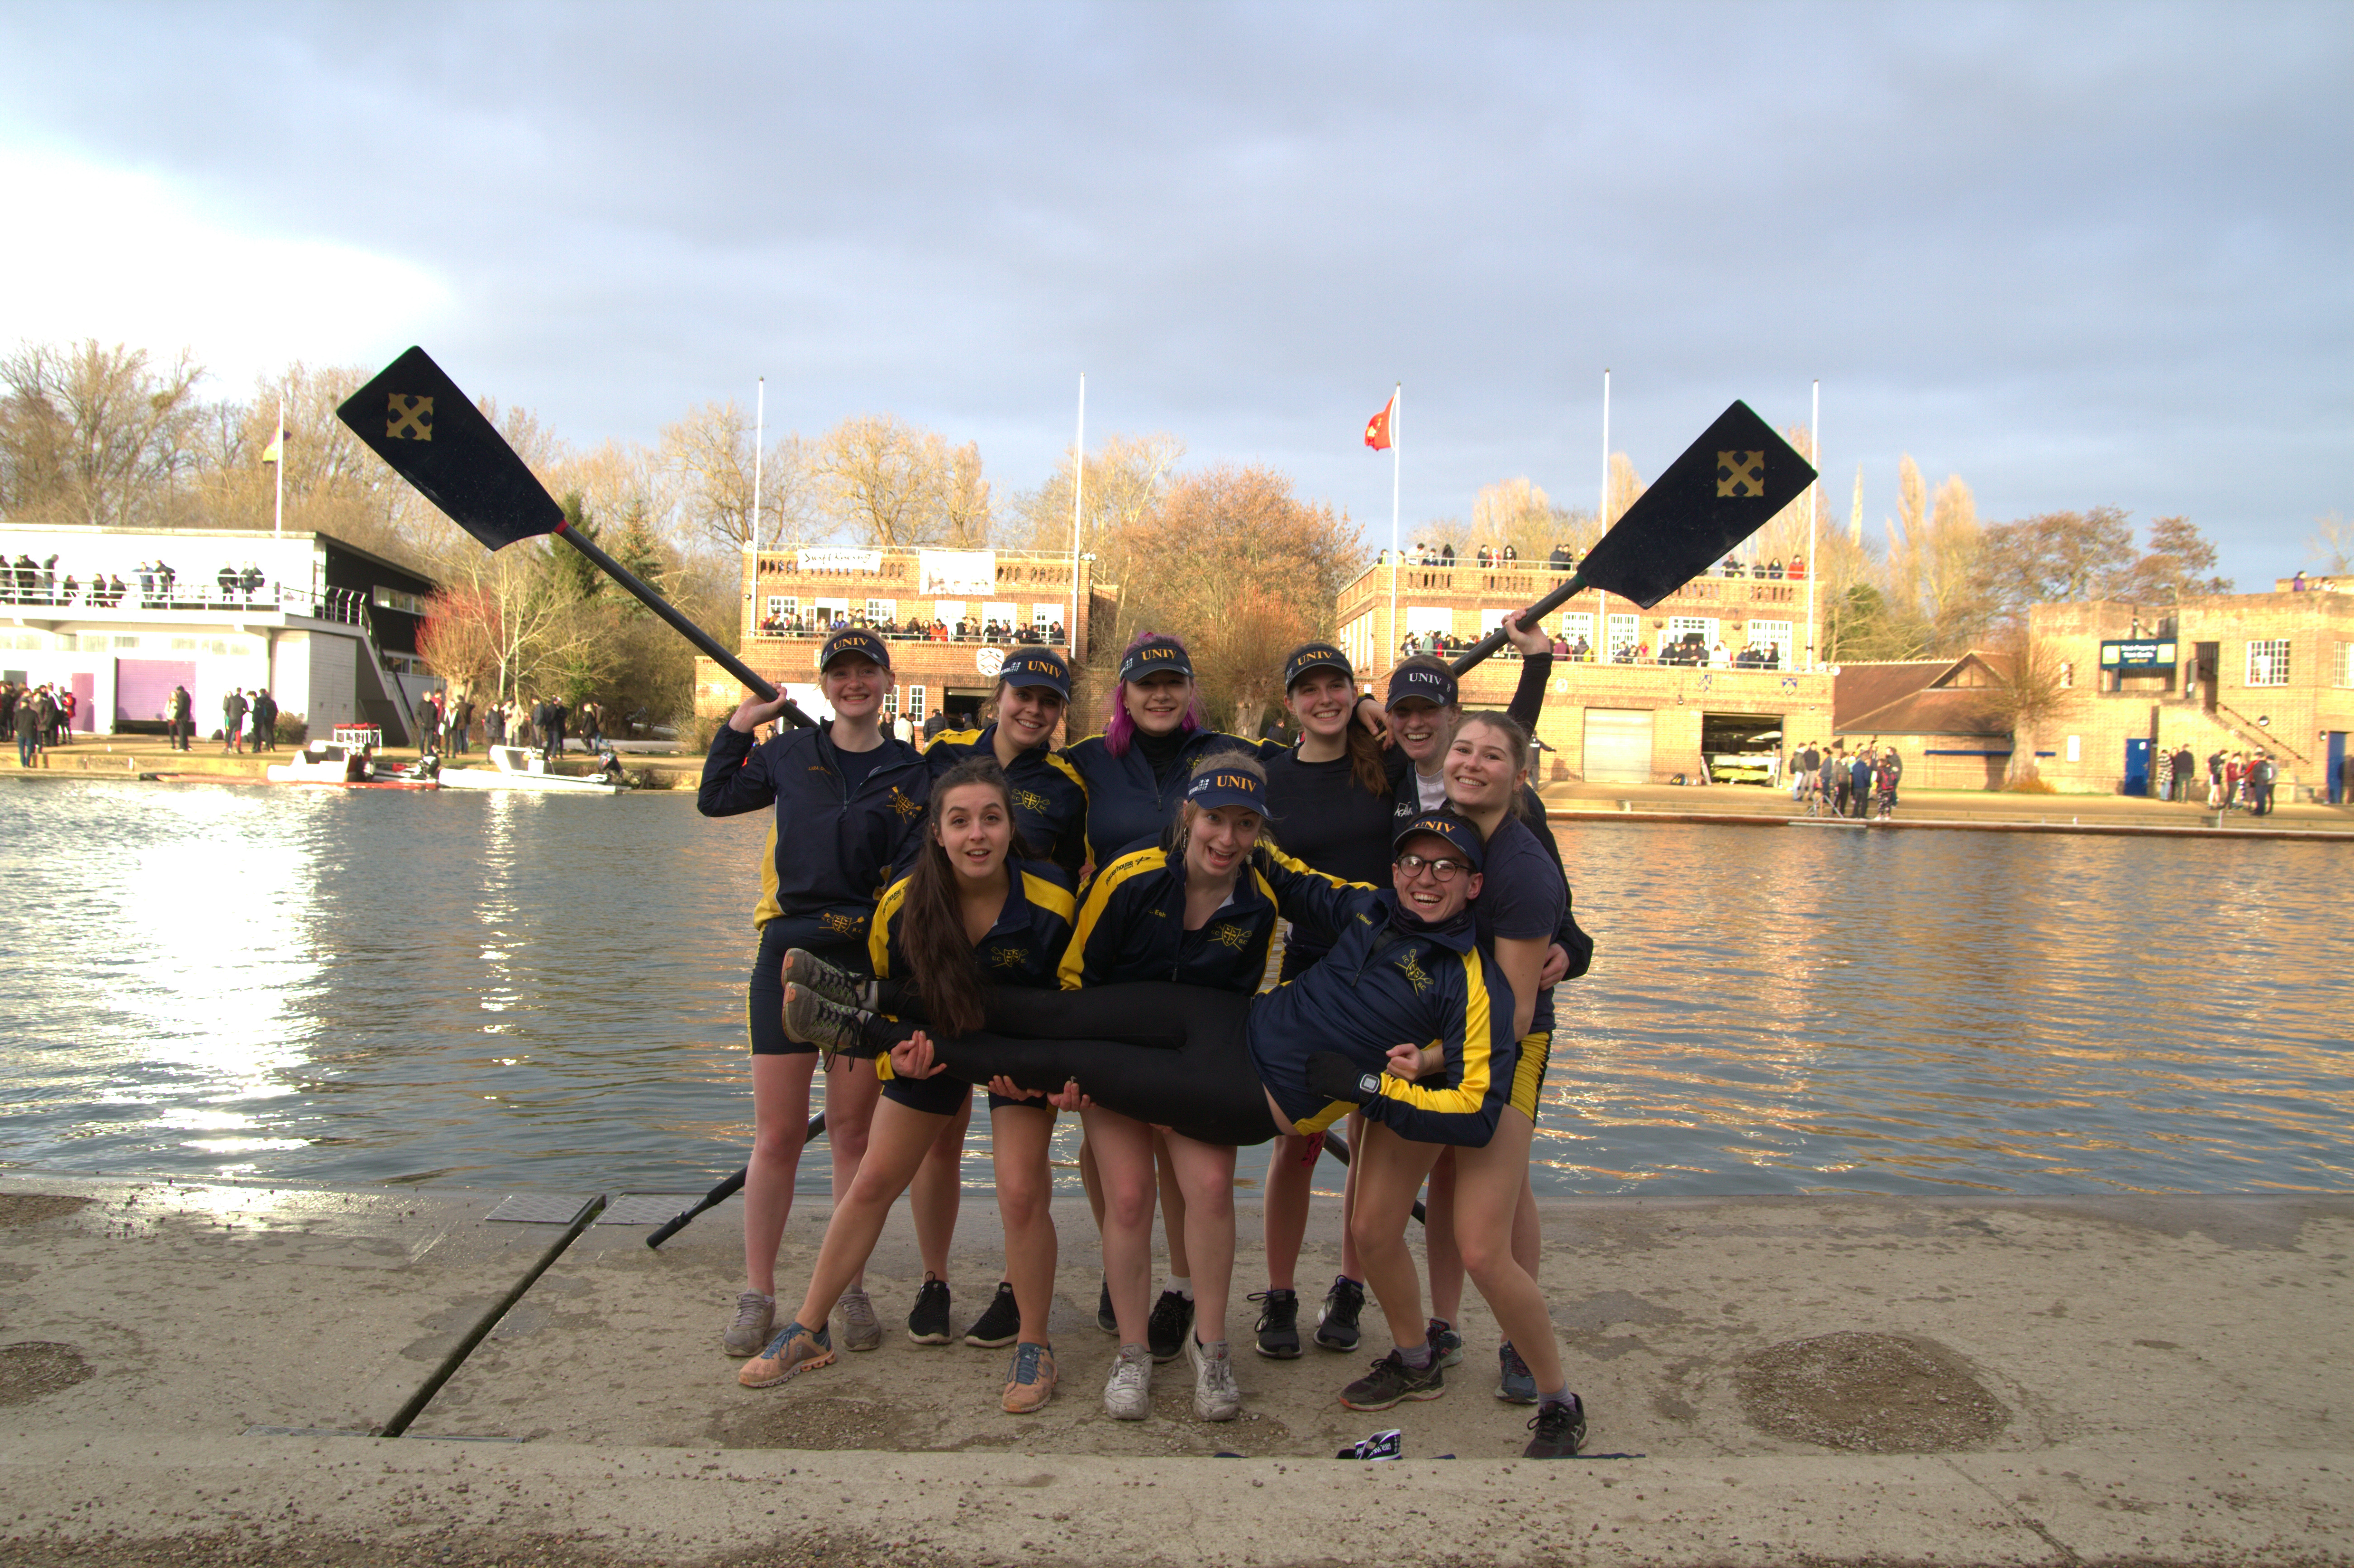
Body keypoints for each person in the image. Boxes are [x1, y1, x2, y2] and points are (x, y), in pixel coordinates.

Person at [781, 806, 1584, 1457]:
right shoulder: (1370, 907)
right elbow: (1278, 867)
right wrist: (1239, 805)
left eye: (1445, 868)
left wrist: (1368, 1084)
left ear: (1475, 884)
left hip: (1247, 1091)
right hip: (1229, 1019)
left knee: (1065, 1060)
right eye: (1413, 863)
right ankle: (872, 990)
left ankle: (868, 1038)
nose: (1424, 879)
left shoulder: (1467, 983)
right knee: (1056, 1012)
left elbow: (1478, 1110)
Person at [742, 758, 1075, 1414]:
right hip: (939, 1044)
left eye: (990, 818)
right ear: (936, 833)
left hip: (1018, 1056)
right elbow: (894, 1010)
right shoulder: (903, 904)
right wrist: (901, 1059)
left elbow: (1071, 1001)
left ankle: (1035, 1343)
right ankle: (808, 1326)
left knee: (1018, 1187)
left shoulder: (1053, 899)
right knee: (871, 1181)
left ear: (1011, 828)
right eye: (959, 821)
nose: (976, 835)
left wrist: (1048, 1073)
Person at [696, 627, 932, 1364]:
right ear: (823, 686)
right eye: (841, 673)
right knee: (776, 1136)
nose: (854, 683)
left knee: (851, 1137)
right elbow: (715, 797)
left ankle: (846, 1287)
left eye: (867, 671)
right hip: (787, 953)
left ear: (887, 682)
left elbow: (910, 880)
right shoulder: (788, 755)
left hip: (863, 958)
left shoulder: (911, 773)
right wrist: (741, 724)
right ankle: (758, 1293)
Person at [251, 689, 277, 753]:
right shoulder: (272, 701)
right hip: (271, 718)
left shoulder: (259, 701)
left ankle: (257, 746)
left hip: (263, 718)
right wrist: (274, 718)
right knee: (270, 731)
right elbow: (276, 710)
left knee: (260, 732)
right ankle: (271, 747)